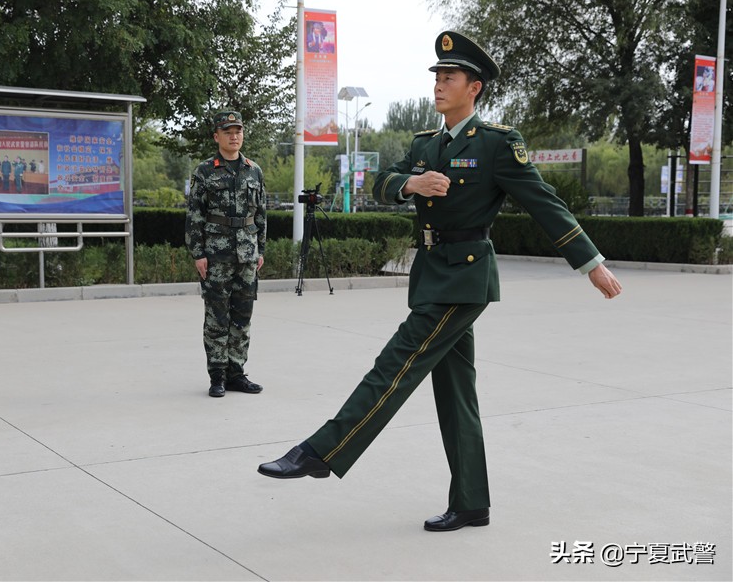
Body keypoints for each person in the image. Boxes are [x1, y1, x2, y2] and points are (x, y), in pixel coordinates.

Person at [257, 31, 623, 532]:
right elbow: (383, 181)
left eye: (449, 77)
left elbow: (544, 203)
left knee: (395, 364)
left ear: (474, 88)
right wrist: (413, 182)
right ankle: (471, 502)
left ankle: (322, 451)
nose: (438, 84)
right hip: (432, 273)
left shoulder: (497, 143)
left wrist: (591, 263)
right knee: (456, 395)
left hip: (465, 277)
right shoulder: (425, 144)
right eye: (437, 76)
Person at [185, 111, 267, 398]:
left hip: (246, 254)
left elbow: (261, 214)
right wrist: (198, 253)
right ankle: (217, 376)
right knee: (217, 317)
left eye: (238, 131)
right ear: (216, 136)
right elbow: (195, 215)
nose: (234, 136)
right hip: (216, 255)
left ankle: (237, 373)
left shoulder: (253, 170)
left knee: (242, 317)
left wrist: (261, 251)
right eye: (228, 131)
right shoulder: (205, 171)